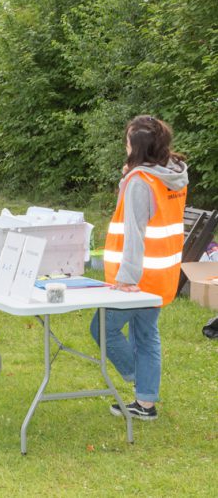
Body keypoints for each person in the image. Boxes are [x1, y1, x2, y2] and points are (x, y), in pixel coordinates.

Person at [91, 115, 188, 421]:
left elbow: (135, 232)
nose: (125, 143)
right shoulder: (170, 174)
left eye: (128, 140)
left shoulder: (140, 182)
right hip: (162, 274)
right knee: (146, 335)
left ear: (137, 146)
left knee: (102, 329)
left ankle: (140, 377)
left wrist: (126, 278)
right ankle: (145, 403)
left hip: (138, 278)